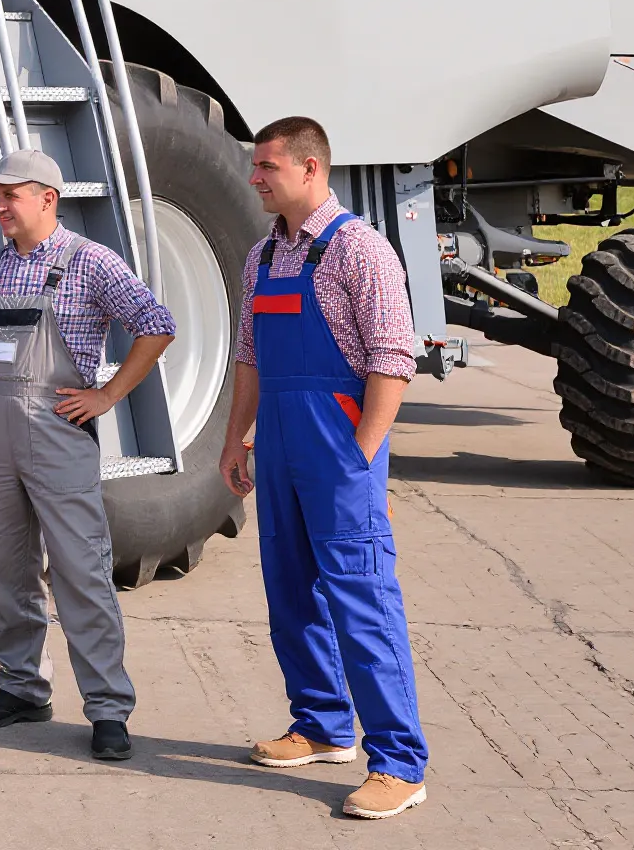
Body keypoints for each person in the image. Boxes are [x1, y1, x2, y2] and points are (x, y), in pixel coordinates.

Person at [0, 147, 175, 763]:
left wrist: (108, 394)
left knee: (81, 574)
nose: (1, 205)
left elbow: (156, 323)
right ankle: (21, 687)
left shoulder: (90, 263)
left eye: (12, 194)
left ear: (48, 198)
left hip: (60, 434)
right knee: (6, 570)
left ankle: (109, 709)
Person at [222, 116, 430, 819]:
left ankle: (400, 764)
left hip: (340, 447)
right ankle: (321, 726)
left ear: (311, 170)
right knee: (290, 591)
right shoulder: (261, 257)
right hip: (278, 441)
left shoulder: (359, 251)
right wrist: (235, 439)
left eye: (267, 167)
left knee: (361, 600)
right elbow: (249, 357)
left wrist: (361, 456)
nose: (256, 177)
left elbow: (393, 360)